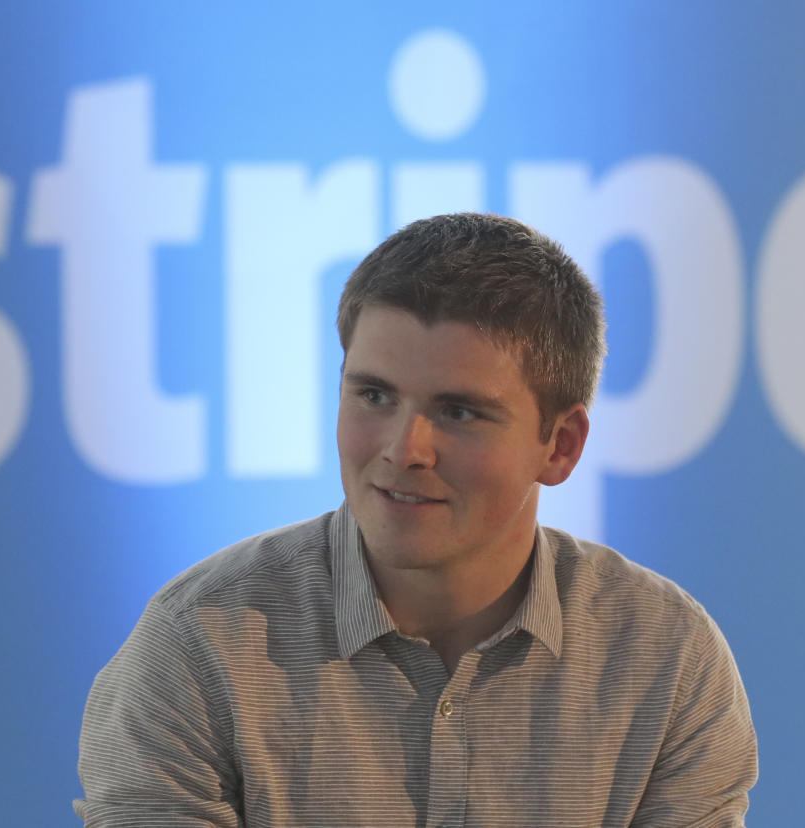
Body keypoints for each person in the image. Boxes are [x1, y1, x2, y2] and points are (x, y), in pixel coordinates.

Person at [74, 213, 758, 827]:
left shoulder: (665, 661)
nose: (404, 451)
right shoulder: (198, 651)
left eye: (459, 412)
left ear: (560, 446)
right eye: (373, 395)